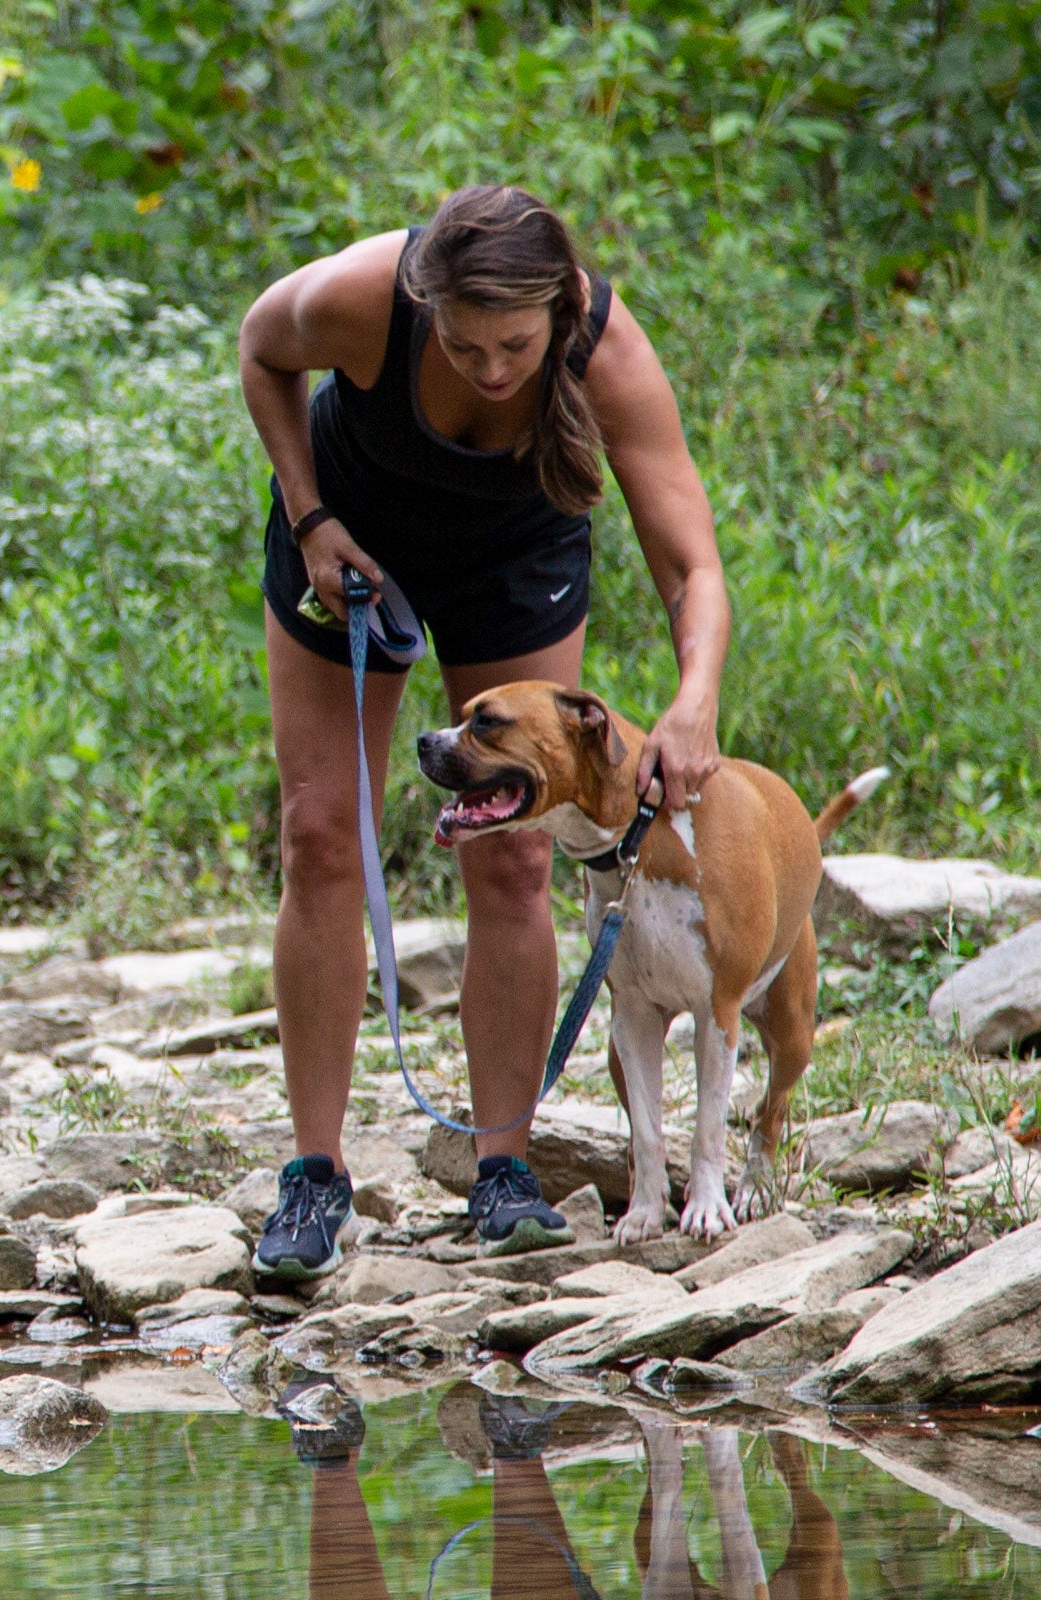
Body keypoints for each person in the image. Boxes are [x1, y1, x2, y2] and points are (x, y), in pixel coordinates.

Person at [237, 184, 730, 1276]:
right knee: (320, 833)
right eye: (463, 346)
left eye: (513, 344)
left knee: (512, 859)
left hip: (513, 559)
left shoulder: (606, 349)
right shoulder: (365, 294)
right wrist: (309, 515)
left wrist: (693, 697)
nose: (492, 369)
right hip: (347, 540)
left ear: (557, 310)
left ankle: (501, 1171)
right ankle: (314, 1180)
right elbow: (260, 348)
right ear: (424, 305)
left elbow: (691, 563)